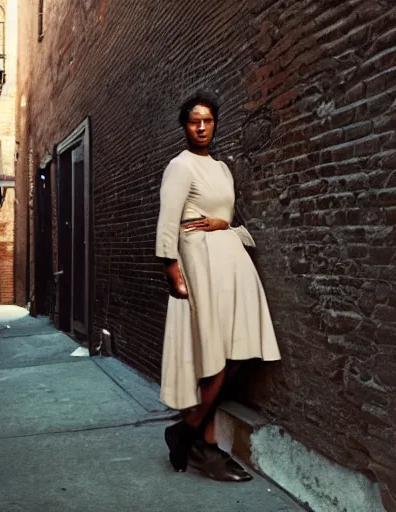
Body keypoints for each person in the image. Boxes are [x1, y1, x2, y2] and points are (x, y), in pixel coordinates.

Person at [156, 91, 281, 481]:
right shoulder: (179, 166)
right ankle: (205, 446)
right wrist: (171, 269)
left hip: (231, 266)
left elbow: (229, 217)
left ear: (215, 124)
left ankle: (186, 430)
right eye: (194, 120)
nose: (201, 127)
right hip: (200, 266)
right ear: (185, 125)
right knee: (211, 354)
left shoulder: (224, 169)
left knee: (237, 352)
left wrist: (222, 223)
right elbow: (167, 222)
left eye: (208, 120)